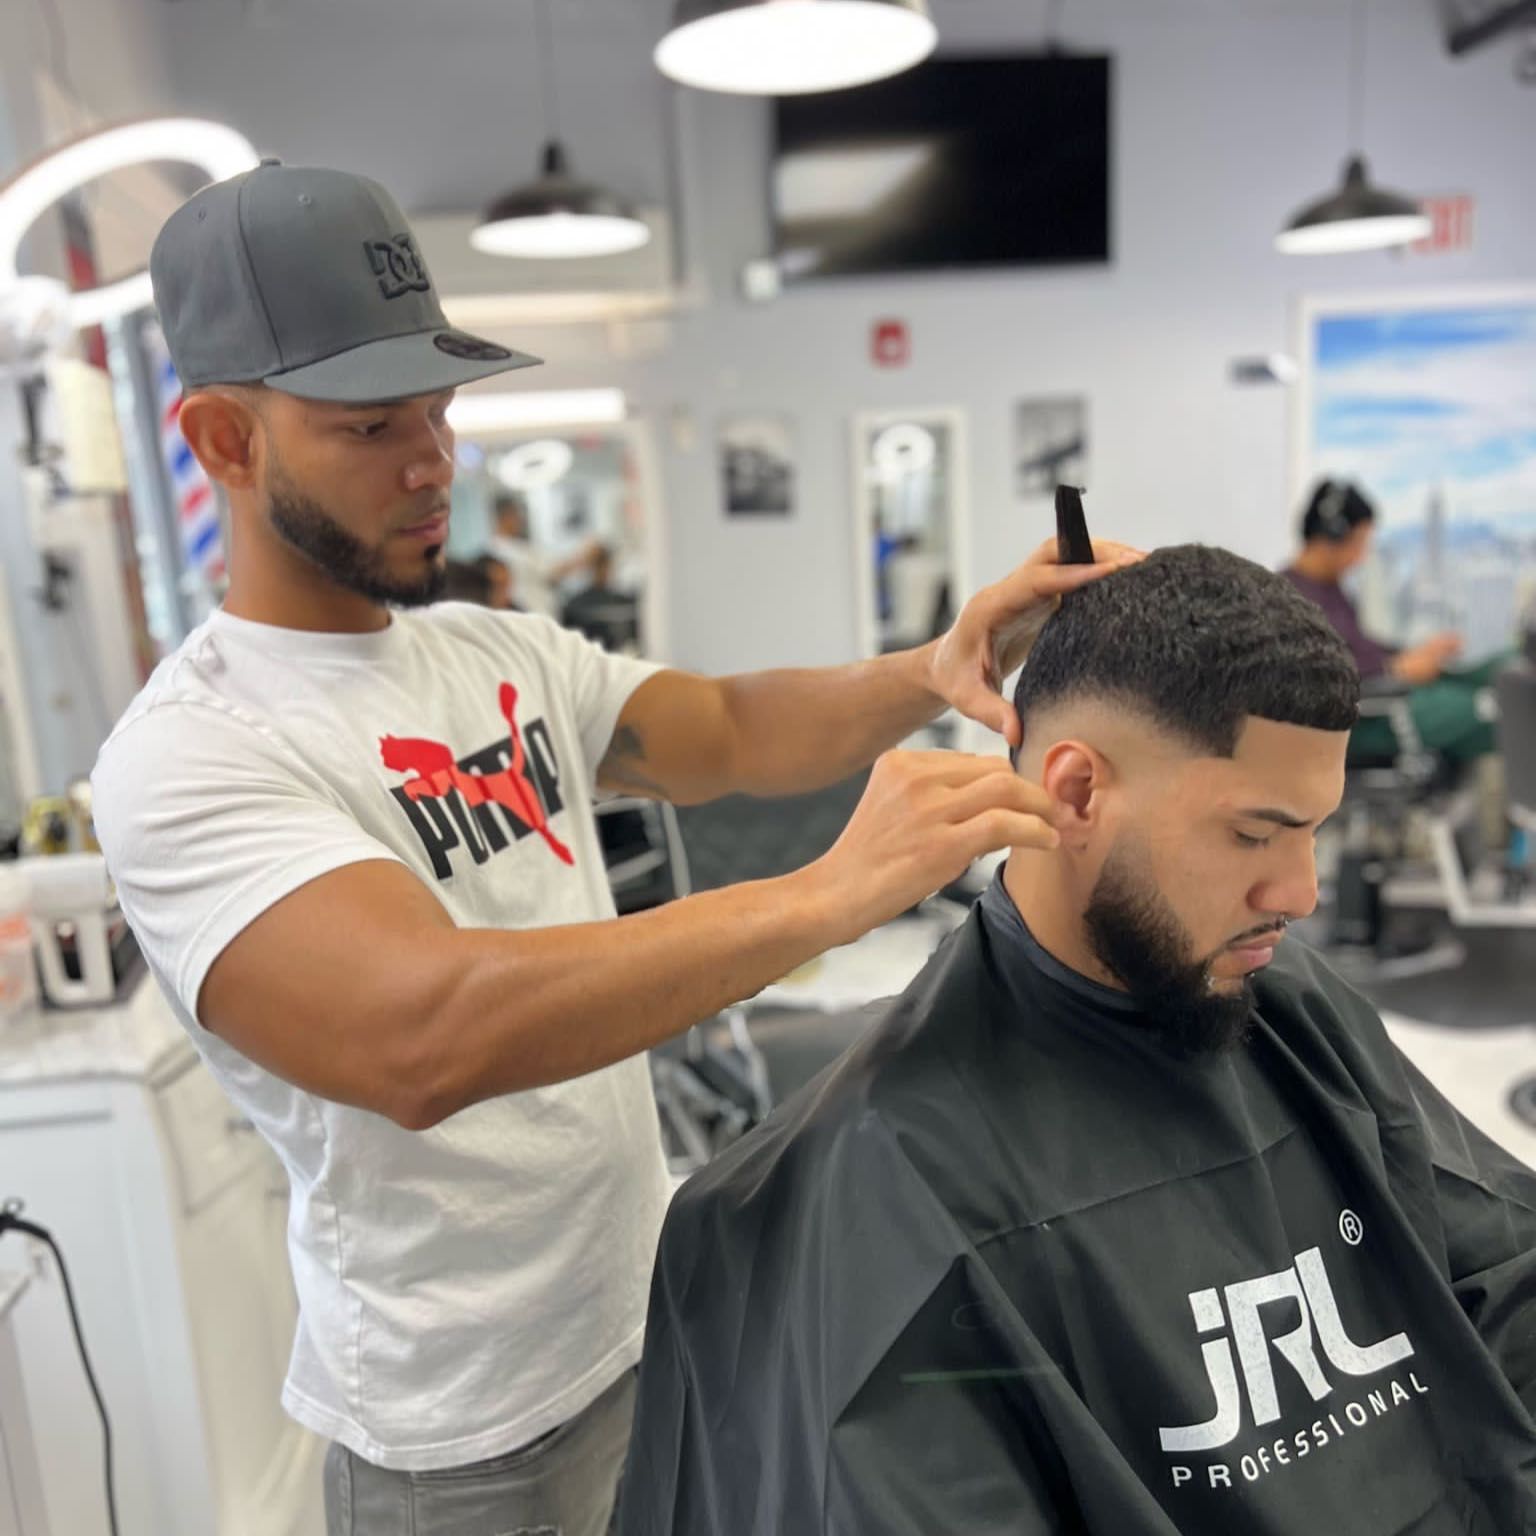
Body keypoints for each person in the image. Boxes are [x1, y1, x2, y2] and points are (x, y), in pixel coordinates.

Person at [88, 160, 1142, 1536]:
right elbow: (424, 1036)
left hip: (649, 1319)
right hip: (461, 1436)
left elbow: (722, 729)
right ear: (225, 441)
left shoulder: (489, 649)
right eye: (370, 425)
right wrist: (828, 895)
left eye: (441, 408)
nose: (435, 461)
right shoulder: (191, 755)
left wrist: (930, 666)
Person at [619, 545, 1536, 1536]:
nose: (1302, 894)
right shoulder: (898, 1179)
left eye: (1315, 831)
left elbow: (1503, 1266)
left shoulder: (1291, 1002)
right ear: (1079, 791)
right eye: (1255, 834)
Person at [1281, 479, 1500, 764]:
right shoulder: (1288, 600)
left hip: (1388, 687)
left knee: (1494, 670)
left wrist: (1411, 655)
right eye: (1360, 543)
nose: (1362, 556)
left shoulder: (1330, 588)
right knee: (1495, 712)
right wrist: (1395, 669)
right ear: (1331, 538)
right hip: (1371, 713)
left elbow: (1359, 646)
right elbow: (1317, 678)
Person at [488, 490, 598, 618]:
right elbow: (554, 572)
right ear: (507, 516)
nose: (521, 520)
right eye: (517, 515)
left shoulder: (510, 548)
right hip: (532, 615)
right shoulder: (508, 552)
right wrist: (584, 554)